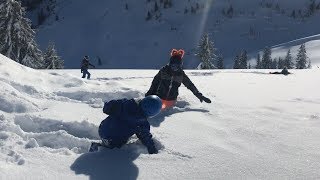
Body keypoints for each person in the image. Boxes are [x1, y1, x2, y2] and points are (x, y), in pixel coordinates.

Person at [89, 95, 162, 154]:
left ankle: (104, 143)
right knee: (112, 148)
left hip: (103, 128)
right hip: (114, 139)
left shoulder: (125, 104)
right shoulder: (142, 123)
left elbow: (107, 108)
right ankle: (96, 147)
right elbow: (145, 137)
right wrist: (152, 149)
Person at [145, 49, 211, 109]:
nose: (175, 67)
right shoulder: (164, 71)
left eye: (177, 65)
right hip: (159, 99)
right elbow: (155, 83)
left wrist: (199, 95)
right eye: (173, 65)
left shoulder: (181, 74)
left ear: (180, 65)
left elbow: (190, 85)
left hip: (171, 101)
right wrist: (149, 96)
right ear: (170, 63)